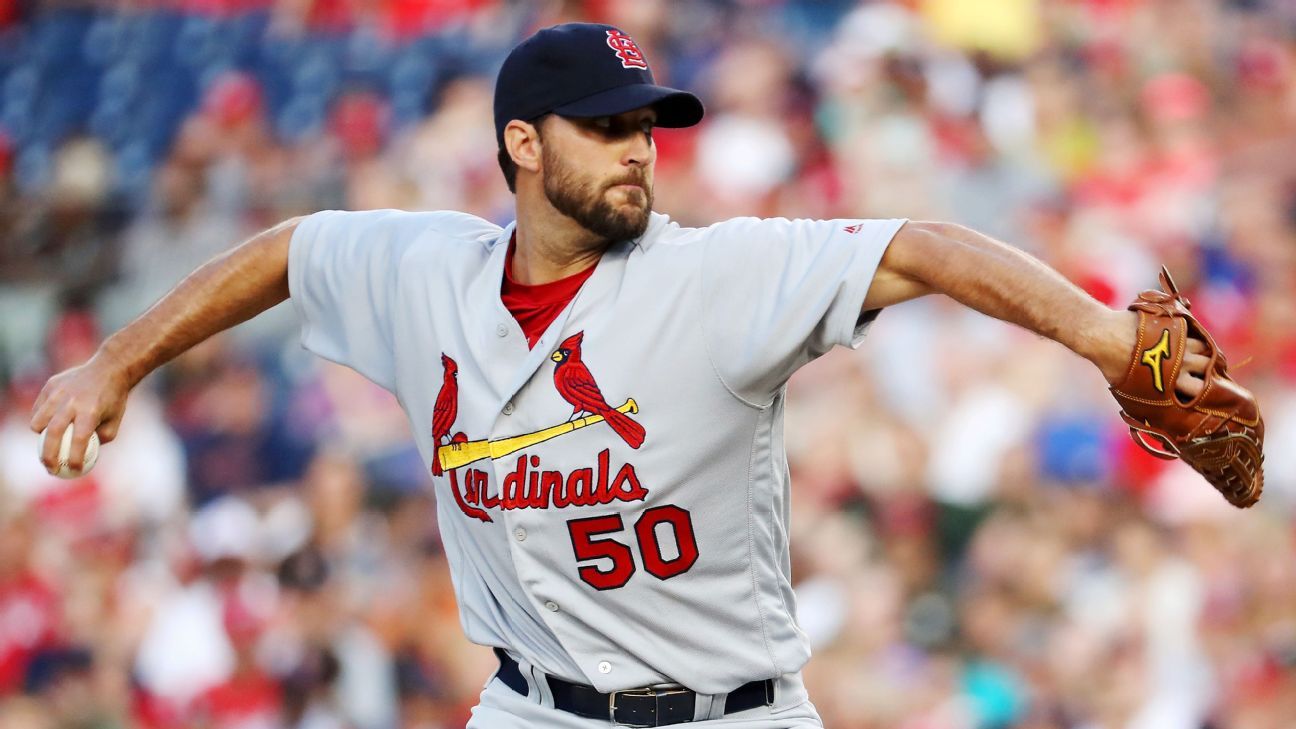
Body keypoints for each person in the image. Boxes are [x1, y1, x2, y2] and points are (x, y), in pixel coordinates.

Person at [30, 23, 1215, 728]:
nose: (640, 145)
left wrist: (1107, 339)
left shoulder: (718, 276)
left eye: (647, 122)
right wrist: (114, 361)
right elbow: (289, 251)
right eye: (606, 125)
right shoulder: (425, 275)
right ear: (523, 145)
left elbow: (921, 246)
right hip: (531, 704)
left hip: (732, 711)